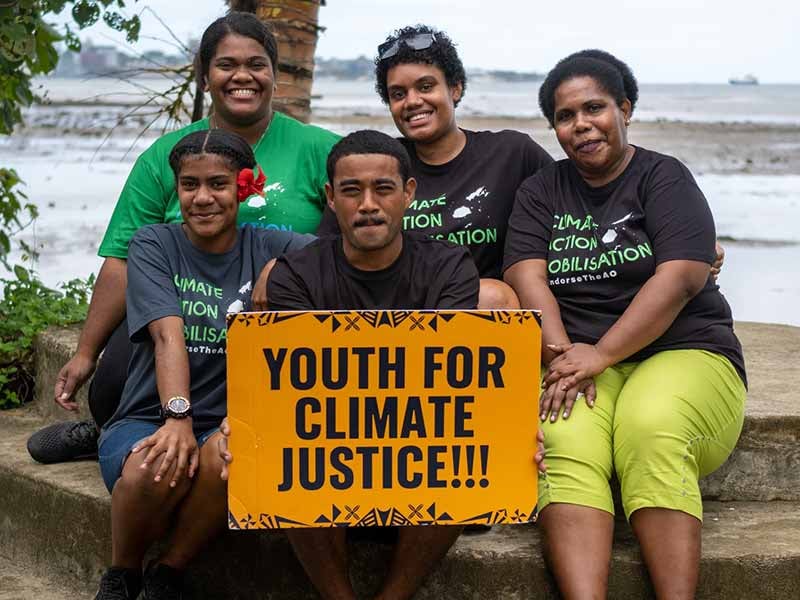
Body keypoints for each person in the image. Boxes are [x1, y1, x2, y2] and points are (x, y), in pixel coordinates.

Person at [27, 11, 340, 464]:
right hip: (178, 314)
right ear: (204, 77)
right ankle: (113, 434)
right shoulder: (165, 157)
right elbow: (121, 258)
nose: (242, 76)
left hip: (273, 319)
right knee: (113, 385)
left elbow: (353, 237)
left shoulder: (319, 149)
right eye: (226, 64)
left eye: (256, 63)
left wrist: (281, 270)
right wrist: (85, 353)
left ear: (275, 74)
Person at [502, 50, 747, 599]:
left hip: (685, 350)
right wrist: (566, 354)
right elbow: (526, 276)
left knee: (651, 424)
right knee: (562, 438)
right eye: (565, 117)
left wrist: (603, 353)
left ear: (625, 108)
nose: (581, 124)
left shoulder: (663, 176)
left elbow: (682, 275)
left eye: (595, 107)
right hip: (578, 355)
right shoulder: (542, 191)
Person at [219, 129, 482, 600]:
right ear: (329, 198)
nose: (367, 205)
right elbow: (287, 395)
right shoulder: (297, 276)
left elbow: (457, 388)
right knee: (279, 448)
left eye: (382, 189)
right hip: (328, 464)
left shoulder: (449, 268)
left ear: (408, 193)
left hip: (418, 452)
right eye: (350, 190)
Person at [94, 128, 313, 600]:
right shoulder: (154, 243)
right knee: (153, 468)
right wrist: (176, 416)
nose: (202, 198)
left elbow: (344, 257)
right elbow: (167, 334)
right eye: (190, 185)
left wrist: (280, 269)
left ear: (245, 186)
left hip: (227, 424)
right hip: (151, 415)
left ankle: (169, 571)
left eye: (218, 183)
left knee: (228, 459)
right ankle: (123, 572)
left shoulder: (274, 246)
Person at [317, 25, 553, 308]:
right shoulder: (379, 164)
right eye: (398, 94)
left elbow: (570, 201)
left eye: (426, 87)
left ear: (455, 88)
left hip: (473, 315)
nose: (413, 101)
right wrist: (279, 265)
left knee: (491, 295)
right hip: (389, 312)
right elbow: (324, 250)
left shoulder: (512, 154)